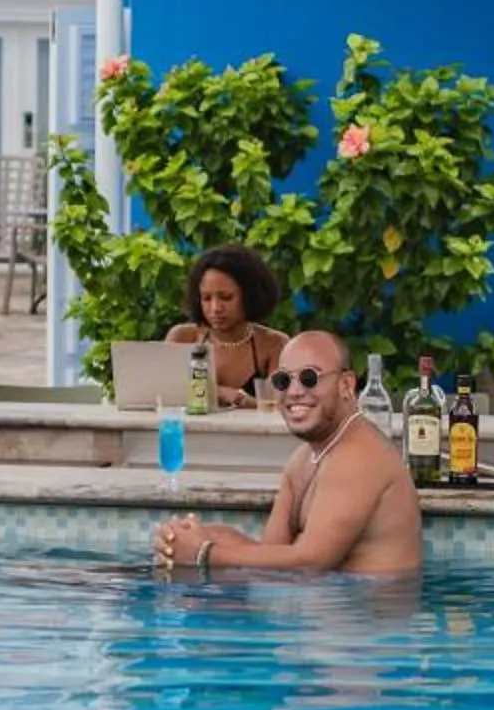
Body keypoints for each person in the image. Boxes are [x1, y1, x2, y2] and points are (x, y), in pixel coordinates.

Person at [152, 331, 422, 577]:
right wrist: (193, 540)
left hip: (364, 610)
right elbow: (272, 555)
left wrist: (204, 553)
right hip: (321, 601)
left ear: (346, 384)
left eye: (309, 378)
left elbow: (312, 560)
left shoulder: (359, 457)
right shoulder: (303, 460)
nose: (294, 392)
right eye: (283, 380)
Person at [164, 245, 292, 410]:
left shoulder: (273, 344)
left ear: (250, 296)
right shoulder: (182, 338)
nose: (215, 308)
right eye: (206, 298)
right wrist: (219, 392)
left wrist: (238, 398)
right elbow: (161, 394)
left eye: (226, 297)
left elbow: (282, 407)